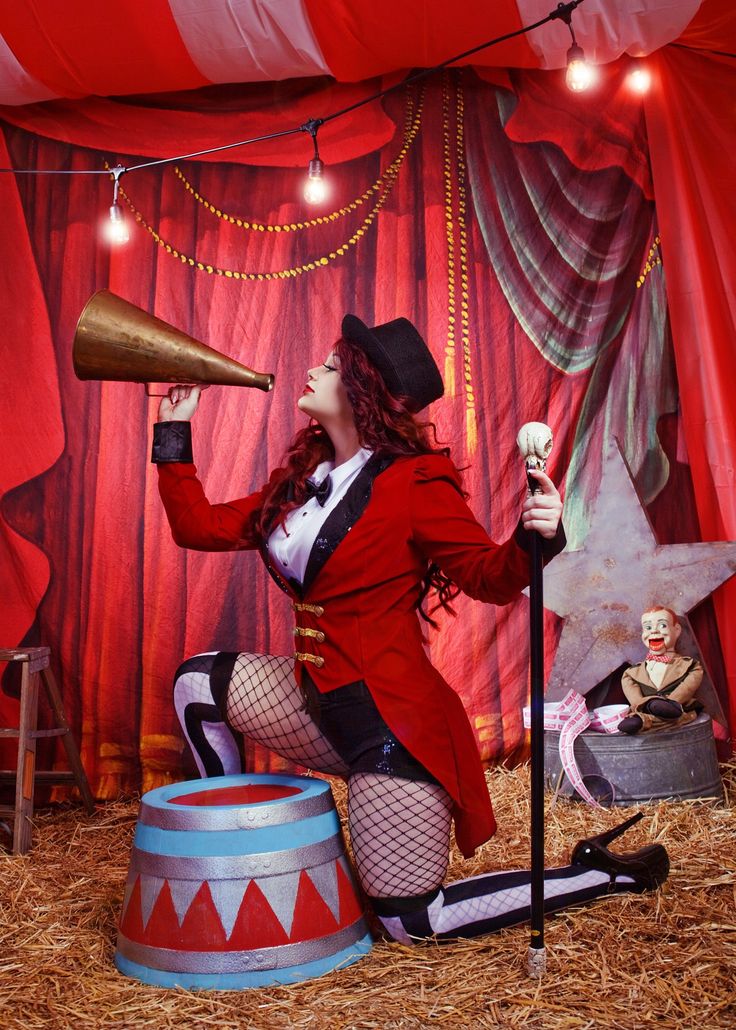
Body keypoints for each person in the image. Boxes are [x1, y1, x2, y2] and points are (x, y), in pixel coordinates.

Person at [152, 314, 669, 943]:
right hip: (317, 703)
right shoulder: (304, 478)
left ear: (361, 389)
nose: (315, 370)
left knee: (410, 921)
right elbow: (197, 527)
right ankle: (229, 856)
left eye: (332, 365)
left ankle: (596, 875)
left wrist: (539, 536)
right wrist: (173, 428)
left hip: (391, 728)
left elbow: (487, 576)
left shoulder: (417, 482)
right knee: (197, 685)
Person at [618, 606, 703, 735]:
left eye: (662, 625)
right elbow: (635, 699)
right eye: (648, 628)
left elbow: (687, 688)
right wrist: (643, 706)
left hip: (677, 707)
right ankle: (647, 714)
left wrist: (671, 703)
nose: (654, 631)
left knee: (678, 714)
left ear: (677, 630)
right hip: (646, 709)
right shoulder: (631, 673)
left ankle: (644, 721)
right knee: (672, 717)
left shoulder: (690, 665)